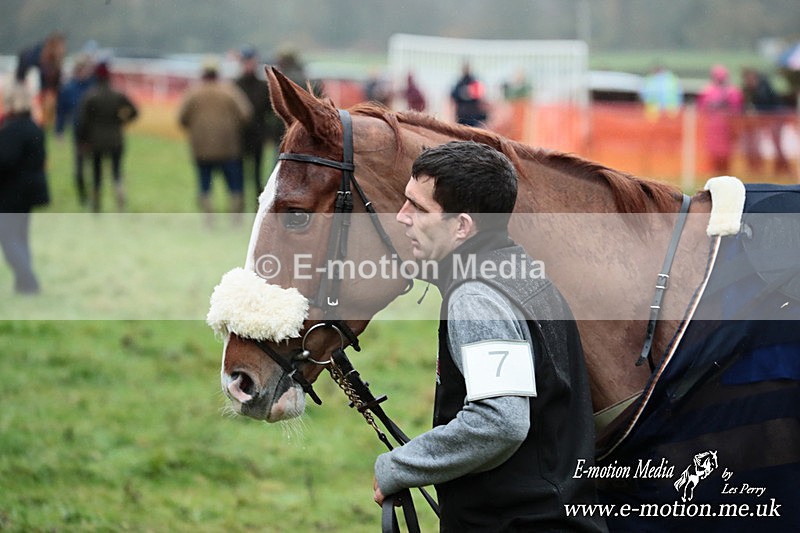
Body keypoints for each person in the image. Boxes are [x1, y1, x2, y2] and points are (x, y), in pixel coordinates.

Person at [374, 141, 605, 531]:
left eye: (419, 208)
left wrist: (397, 466)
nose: (402, 217)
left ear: (463, 226)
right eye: (405, 201)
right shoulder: (520, 270)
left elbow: (500, 421)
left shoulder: (476, 296)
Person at [178, 57, 252, 226]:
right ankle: (235, 221)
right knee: (234, 186)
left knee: (205, 186)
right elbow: (246, 113)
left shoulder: (193, 93)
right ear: (217, 73)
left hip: (202, 149)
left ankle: (208, 221)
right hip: (229, 148)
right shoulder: (230, 91)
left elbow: (182, 118)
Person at [0, 84, 50, 294]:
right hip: (30, 191)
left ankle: (29, 282)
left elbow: (5, 161)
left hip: (12, 193)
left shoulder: (12, 130)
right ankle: (23, 284)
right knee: (20, 238)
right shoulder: (34, 127)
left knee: (9, 239)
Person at [76, 62, 138, 212]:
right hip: (116, 139)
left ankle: (96, 205)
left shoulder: (90, 96)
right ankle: (119, 195)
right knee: (116, 172)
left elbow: (83, 122)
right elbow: (134, 111)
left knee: (96, 174)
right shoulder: (117, 94)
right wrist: (122, 121)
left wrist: (82, 141)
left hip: (95, 140)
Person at [55, 54, 96, 206]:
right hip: (79, 132)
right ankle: (83, 197)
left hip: (95, 132)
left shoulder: (95, 85)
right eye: (84, 69)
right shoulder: (68, 88)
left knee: (94, 166)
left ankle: (94, 196)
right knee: (79, 168)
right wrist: (59, 131)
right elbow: (61, 111)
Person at [235, 45, 271, 208]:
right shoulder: (235, 85)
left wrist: (269, 133)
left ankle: (258, 206)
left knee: (257, 175)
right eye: (246, 62)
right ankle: (239, 205)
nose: (249, 65)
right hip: (239, 137)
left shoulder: (263, 86)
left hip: (257, 136)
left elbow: (270, 112)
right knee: (239, 173)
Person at [697, 64, 744, 175]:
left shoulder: (732, 91)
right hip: (714, 129)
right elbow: (703, 107)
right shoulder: (707, 91)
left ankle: (725, 174)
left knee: (727, 156)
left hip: (727, 129)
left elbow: (737, 108)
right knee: (715, 156)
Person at [740, 67, 789, 175]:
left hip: (775, 118)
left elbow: (767, 104)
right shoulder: (751, 89)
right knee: (756, 144)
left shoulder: (763, 88)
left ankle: (784, 168)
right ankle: (760, 168)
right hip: (764, 119)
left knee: (777, 144)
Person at [15, 32, 67, 128]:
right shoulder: (38, 55)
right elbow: (29, 75)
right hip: (35, 89)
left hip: (46, 91)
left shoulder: (55, 59)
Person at [450, 62, 488, 127]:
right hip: (464, 115)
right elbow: (453, 96)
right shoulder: (460, 83)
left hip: (471, 115)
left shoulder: (471, 82)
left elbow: (480, 96)